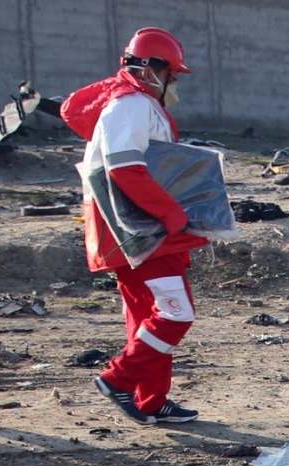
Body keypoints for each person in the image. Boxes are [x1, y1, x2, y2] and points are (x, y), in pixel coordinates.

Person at [61, 28, 205, 425]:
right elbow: (127, 169)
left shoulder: (132, 105)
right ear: (152, 69)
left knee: (147, 315)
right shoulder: (131, 106)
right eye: (172, 74)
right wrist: (172, 215)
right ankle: (118, 379)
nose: (174, 83)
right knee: (176, 314)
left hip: (133, 229)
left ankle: (150, 401)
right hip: (142, 231)